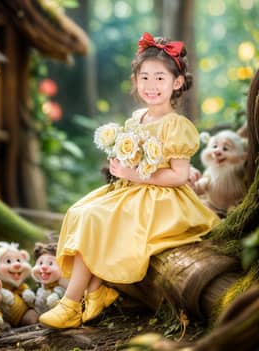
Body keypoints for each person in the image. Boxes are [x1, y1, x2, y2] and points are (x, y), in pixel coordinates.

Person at [39, 32, 220, 329]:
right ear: (135, 81)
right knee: (81, 212)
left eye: (160, 78)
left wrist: (133, 173)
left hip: (162, 200)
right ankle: (95, 291)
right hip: (134, 190)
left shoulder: (177, 126)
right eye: (144, 77)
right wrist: (121, 164)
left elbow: (178, 175)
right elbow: (134, 160)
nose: (151, 85)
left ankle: (71, 303)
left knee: (97, 218)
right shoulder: (137, 118)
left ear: (177, 83)